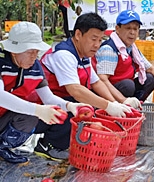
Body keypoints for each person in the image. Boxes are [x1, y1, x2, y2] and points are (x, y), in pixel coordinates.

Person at [0, 21, 90, 163]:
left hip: (5, 117)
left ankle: (4, 147)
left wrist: (69, 106)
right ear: (14, 50)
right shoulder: (1, 62)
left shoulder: (35, 67)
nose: (34, 56)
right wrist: (37, 109)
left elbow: (48, 98)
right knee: (33, 112)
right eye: (30, 52)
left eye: (36, 52)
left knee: (30, 117)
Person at [40, 12, 132, 117]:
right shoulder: (64, 55)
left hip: (66, 100)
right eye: (93, 39)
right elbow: (75, 90)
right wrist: (108, 106)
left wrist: (114, 103)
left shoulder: (83, 54)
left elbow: (96, 82)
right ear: (78, 35)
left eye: (100, 40)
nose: (97, 45)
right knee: (81, 111)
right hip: (46, 106)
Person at [93, 10, 154, 105]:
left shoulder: (132, 48)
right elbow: (102, 80)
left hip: (123, 88)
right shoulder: (109, 49)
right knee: (128, 85)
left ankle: (135, 107)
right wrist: (123, 100)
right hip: (107, 93)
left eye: (135, 29)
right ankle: (123, 106)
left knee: (149, 79)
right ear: (117, 29)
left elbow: (151, 69)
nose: (132, 32)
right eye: (128, 28)